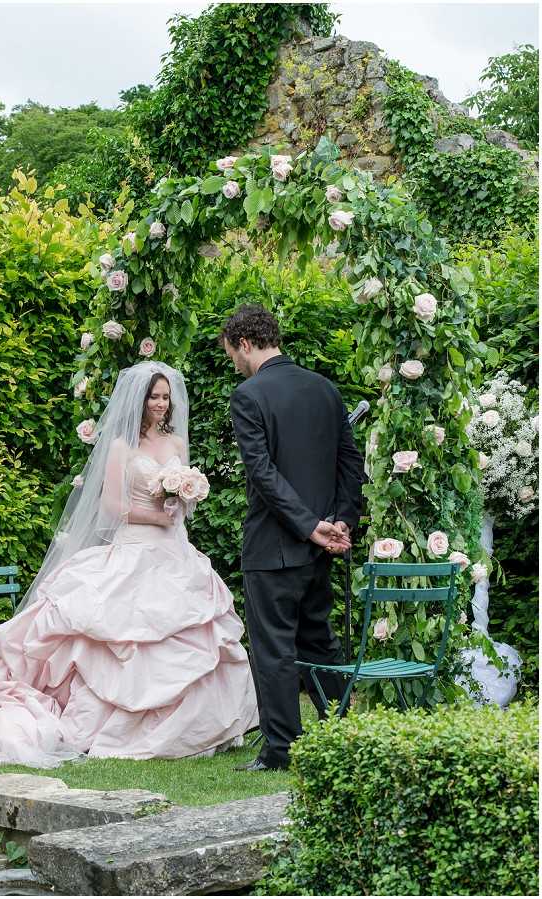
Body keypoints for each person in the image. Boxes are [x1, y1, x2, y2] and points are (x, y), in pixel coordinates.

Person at [0, 362, 258, 767]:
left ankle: (198, 728)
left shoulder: (176, 445)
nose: (162, 405)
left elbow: (182, 504)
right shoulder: (120, 448)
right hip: (135, 549)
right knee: (122, 636)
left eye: (166, 397)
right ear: (139, 400)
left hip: (175, 552)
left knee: (195, 636)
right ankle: (113, 726)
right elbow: (112, 506)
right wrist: (157, 516)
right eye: (154, 397)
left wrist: (182, 499)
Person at [221, 304, 365, 772]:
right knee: (319, 640)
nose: (234, 364)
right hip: (323, 543)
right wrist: (341, 520)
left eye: (232, 354)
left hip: (274, 545)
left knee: (274, 650)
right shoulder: (324, 389)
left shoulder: (249, 395)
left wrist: (307, 525)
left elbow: (263, 475)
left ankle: (282, 750)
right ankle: (341, 733)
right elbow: (350, 462)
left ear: (244, 343)